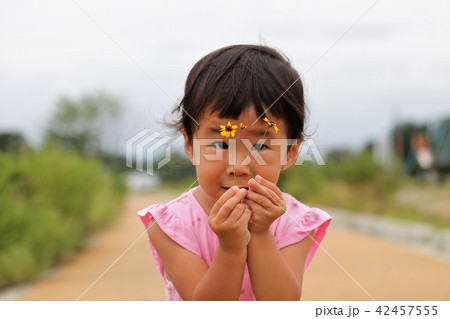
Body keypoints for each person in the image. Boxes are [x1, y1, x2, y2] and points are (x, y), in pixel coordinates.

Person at [137, 44, 332, 301]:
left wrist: (261, 233)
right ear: (190, 145)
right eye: (220, 144)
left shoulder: (293, 222)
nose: (239, 166)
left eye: (260, 145)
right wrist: (230, 249)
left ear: (290, 152)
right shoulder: (171, 224)